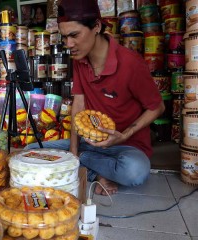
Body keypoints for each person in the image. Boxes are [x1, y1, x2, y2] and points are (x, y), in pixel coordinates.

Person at [25, 0, 165, 195]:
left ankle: (87, 164)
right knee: (30, 150)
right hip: (89, 143)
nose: (69, 44)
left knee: (135, 172)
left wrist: (124, 135)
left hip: (125, 146)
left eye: (74, 35)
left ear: (97, 26)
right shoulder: (80, 61)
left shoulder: (131, 64)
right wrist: (73, 152)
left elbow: (157, 107)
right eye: (64, 37)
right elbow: (78, 105)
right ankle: (94, 171)